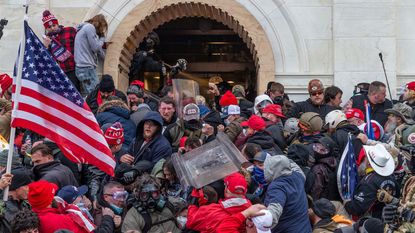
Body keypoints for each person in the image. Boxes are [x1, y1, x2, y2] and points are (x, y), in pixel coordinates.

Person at [344, 144, 398, 220]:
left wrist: (346, 203)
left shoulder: (368, 182)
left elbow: (357, 208)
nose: (365, 159)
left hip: (374, 222)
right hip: (390, 218)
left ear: (369, 163)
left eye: (366, 157)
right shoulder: (392, 177)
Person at [186, 172, 252, 232]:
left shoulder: (211, 211)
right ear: (245, 191)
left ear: (226, 189)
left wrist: (193, 202)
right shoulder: (253, 210)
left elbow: (191, 221)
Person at [118, 111, 172, 183]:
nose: (148, 126)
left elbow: (154, 167)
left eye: (152, 125)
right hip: (130, 176)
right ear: (142, 125)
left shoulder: (163, 146)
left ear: (158, 128)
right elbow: (129, 155)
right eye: (147, 123)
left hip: (148, 181)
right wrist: (122, 158)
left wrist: (135, 170)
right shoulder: (136, 140)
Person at [264, 155, 312, 233]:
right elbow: (295, 166)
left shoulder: (277, 186)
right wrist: (283, 160)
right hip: (305, 229)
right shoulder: (298, 176)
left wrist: (262, 221)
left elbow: (275, 209)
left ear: (269, 170)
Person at [28, 180, 96, 233]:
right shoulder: (62, 220)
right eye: (53, 195)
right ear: (49, 200)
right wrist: (71, 207)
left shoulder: (29, 219)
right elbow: (90, 231)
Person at [41, 10, 79, 91]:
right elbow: (45, 59)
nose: (52, 28)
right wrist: (46, 46)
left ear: (57, 23)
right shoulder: (47, 39)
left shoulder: (70, 30)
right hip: (59, 73)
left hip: (73, 69)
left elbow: (83, 43)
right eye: (49, 27)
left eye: (54, 25)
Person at [74, 14, 108, 97]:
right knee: (95, 95)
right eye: (103, 27)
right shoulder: (89, 27)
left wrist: (107, 58)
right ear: (99, 24)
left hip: (82, 68)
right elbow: (96, 48)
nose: (102, 30)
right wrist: (102, 38)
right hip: (86, 68)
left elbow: (97, 49)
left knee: (87, 96)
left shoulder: (84, 29)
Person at [305, 136, 341, 201]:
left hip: (320, 204)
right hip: (331, 202)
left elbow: (316, 191)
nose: (317, 151)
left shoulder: (318, 169)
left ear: (329, 152)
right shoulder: (335, 161)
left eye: (322, 150)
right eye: (316, 147)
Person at [0, 168, 32, 233]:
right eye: (26, 186)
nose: (29, 189)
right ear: (17, 187)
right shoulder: (3, 208)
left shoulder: (25, 205)